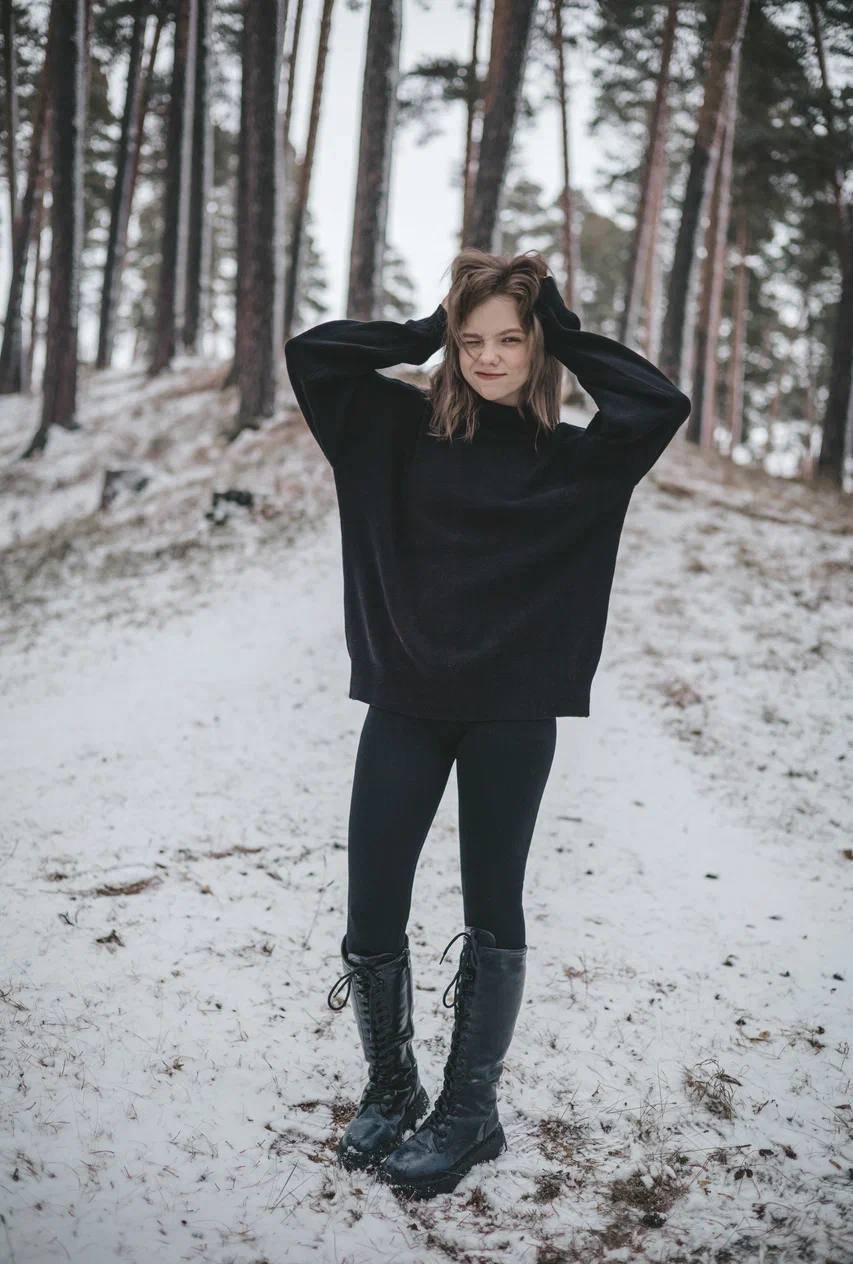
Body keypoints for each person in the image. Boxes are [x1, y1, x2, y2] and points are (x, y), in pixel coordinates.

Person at [284, 249, 691, 1201]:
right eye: (472, 342)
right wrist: (427, 330)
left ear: (535, 343)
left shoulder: (574, 460)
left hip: (511, 710)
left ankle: (471, 1111)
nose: (489, 357)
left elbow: (656, 404)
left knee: (490, 907)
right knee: (371, 907)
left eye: (509, 338)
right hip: (404, 702)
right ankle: (392, 1088)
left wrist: (563, 327)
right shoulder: (388, 429)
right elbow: (313, 355)